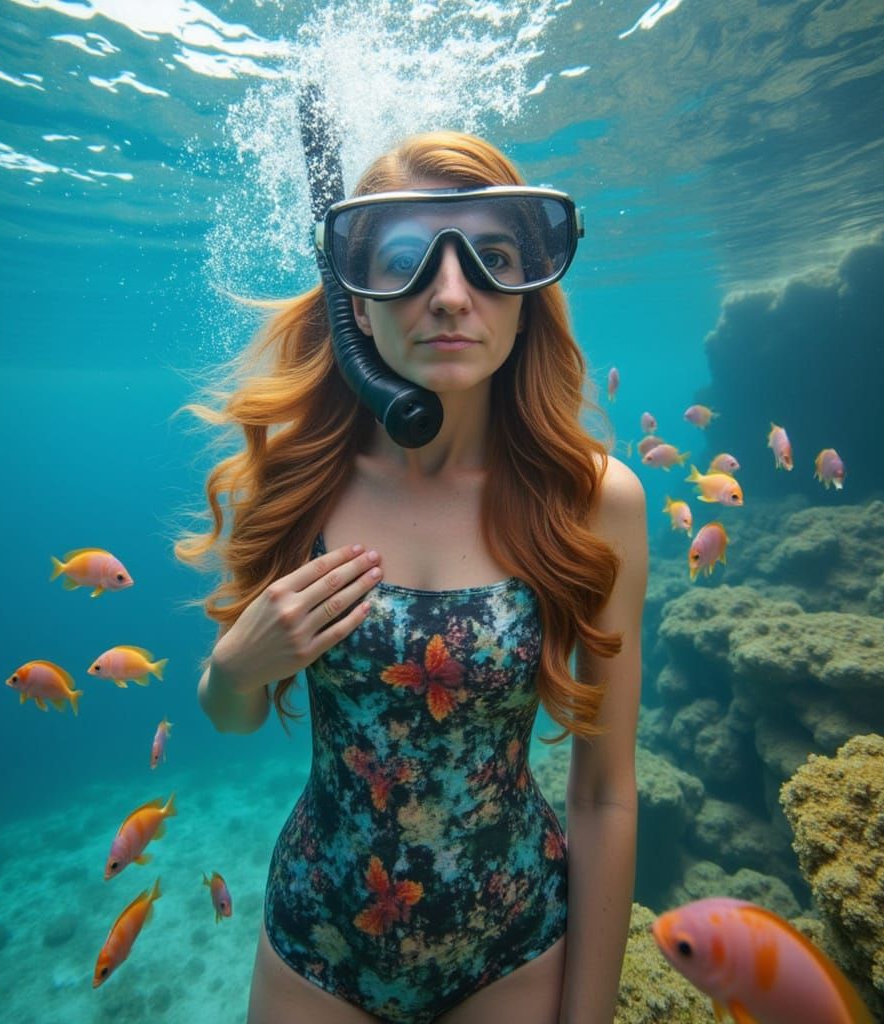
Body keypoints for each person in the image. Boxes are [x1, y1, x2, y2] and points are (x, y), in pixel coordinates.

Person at [178, 131, 646, 1024]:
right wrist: (235, 669)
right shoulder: (297, 480)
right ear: (355, 301)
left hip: (514, 941)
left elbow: (605, 791)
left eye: (494, 258)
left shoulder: (594, 501)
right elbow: (229, 715)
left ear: (530, 293)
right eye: (404, 263)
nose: (451, 295)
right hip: (319, 943)